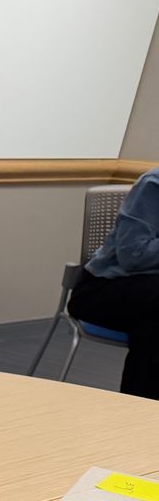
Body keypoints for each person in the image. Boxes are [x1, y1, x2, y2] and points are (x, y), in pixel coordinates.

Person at [66, 169, 159, 399]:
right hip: (103, 288)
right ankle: (141, 408)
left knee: (153, 324)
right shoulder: (154, 184)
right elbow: (134, 255)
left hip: (149, 296)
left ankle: (141, 410)